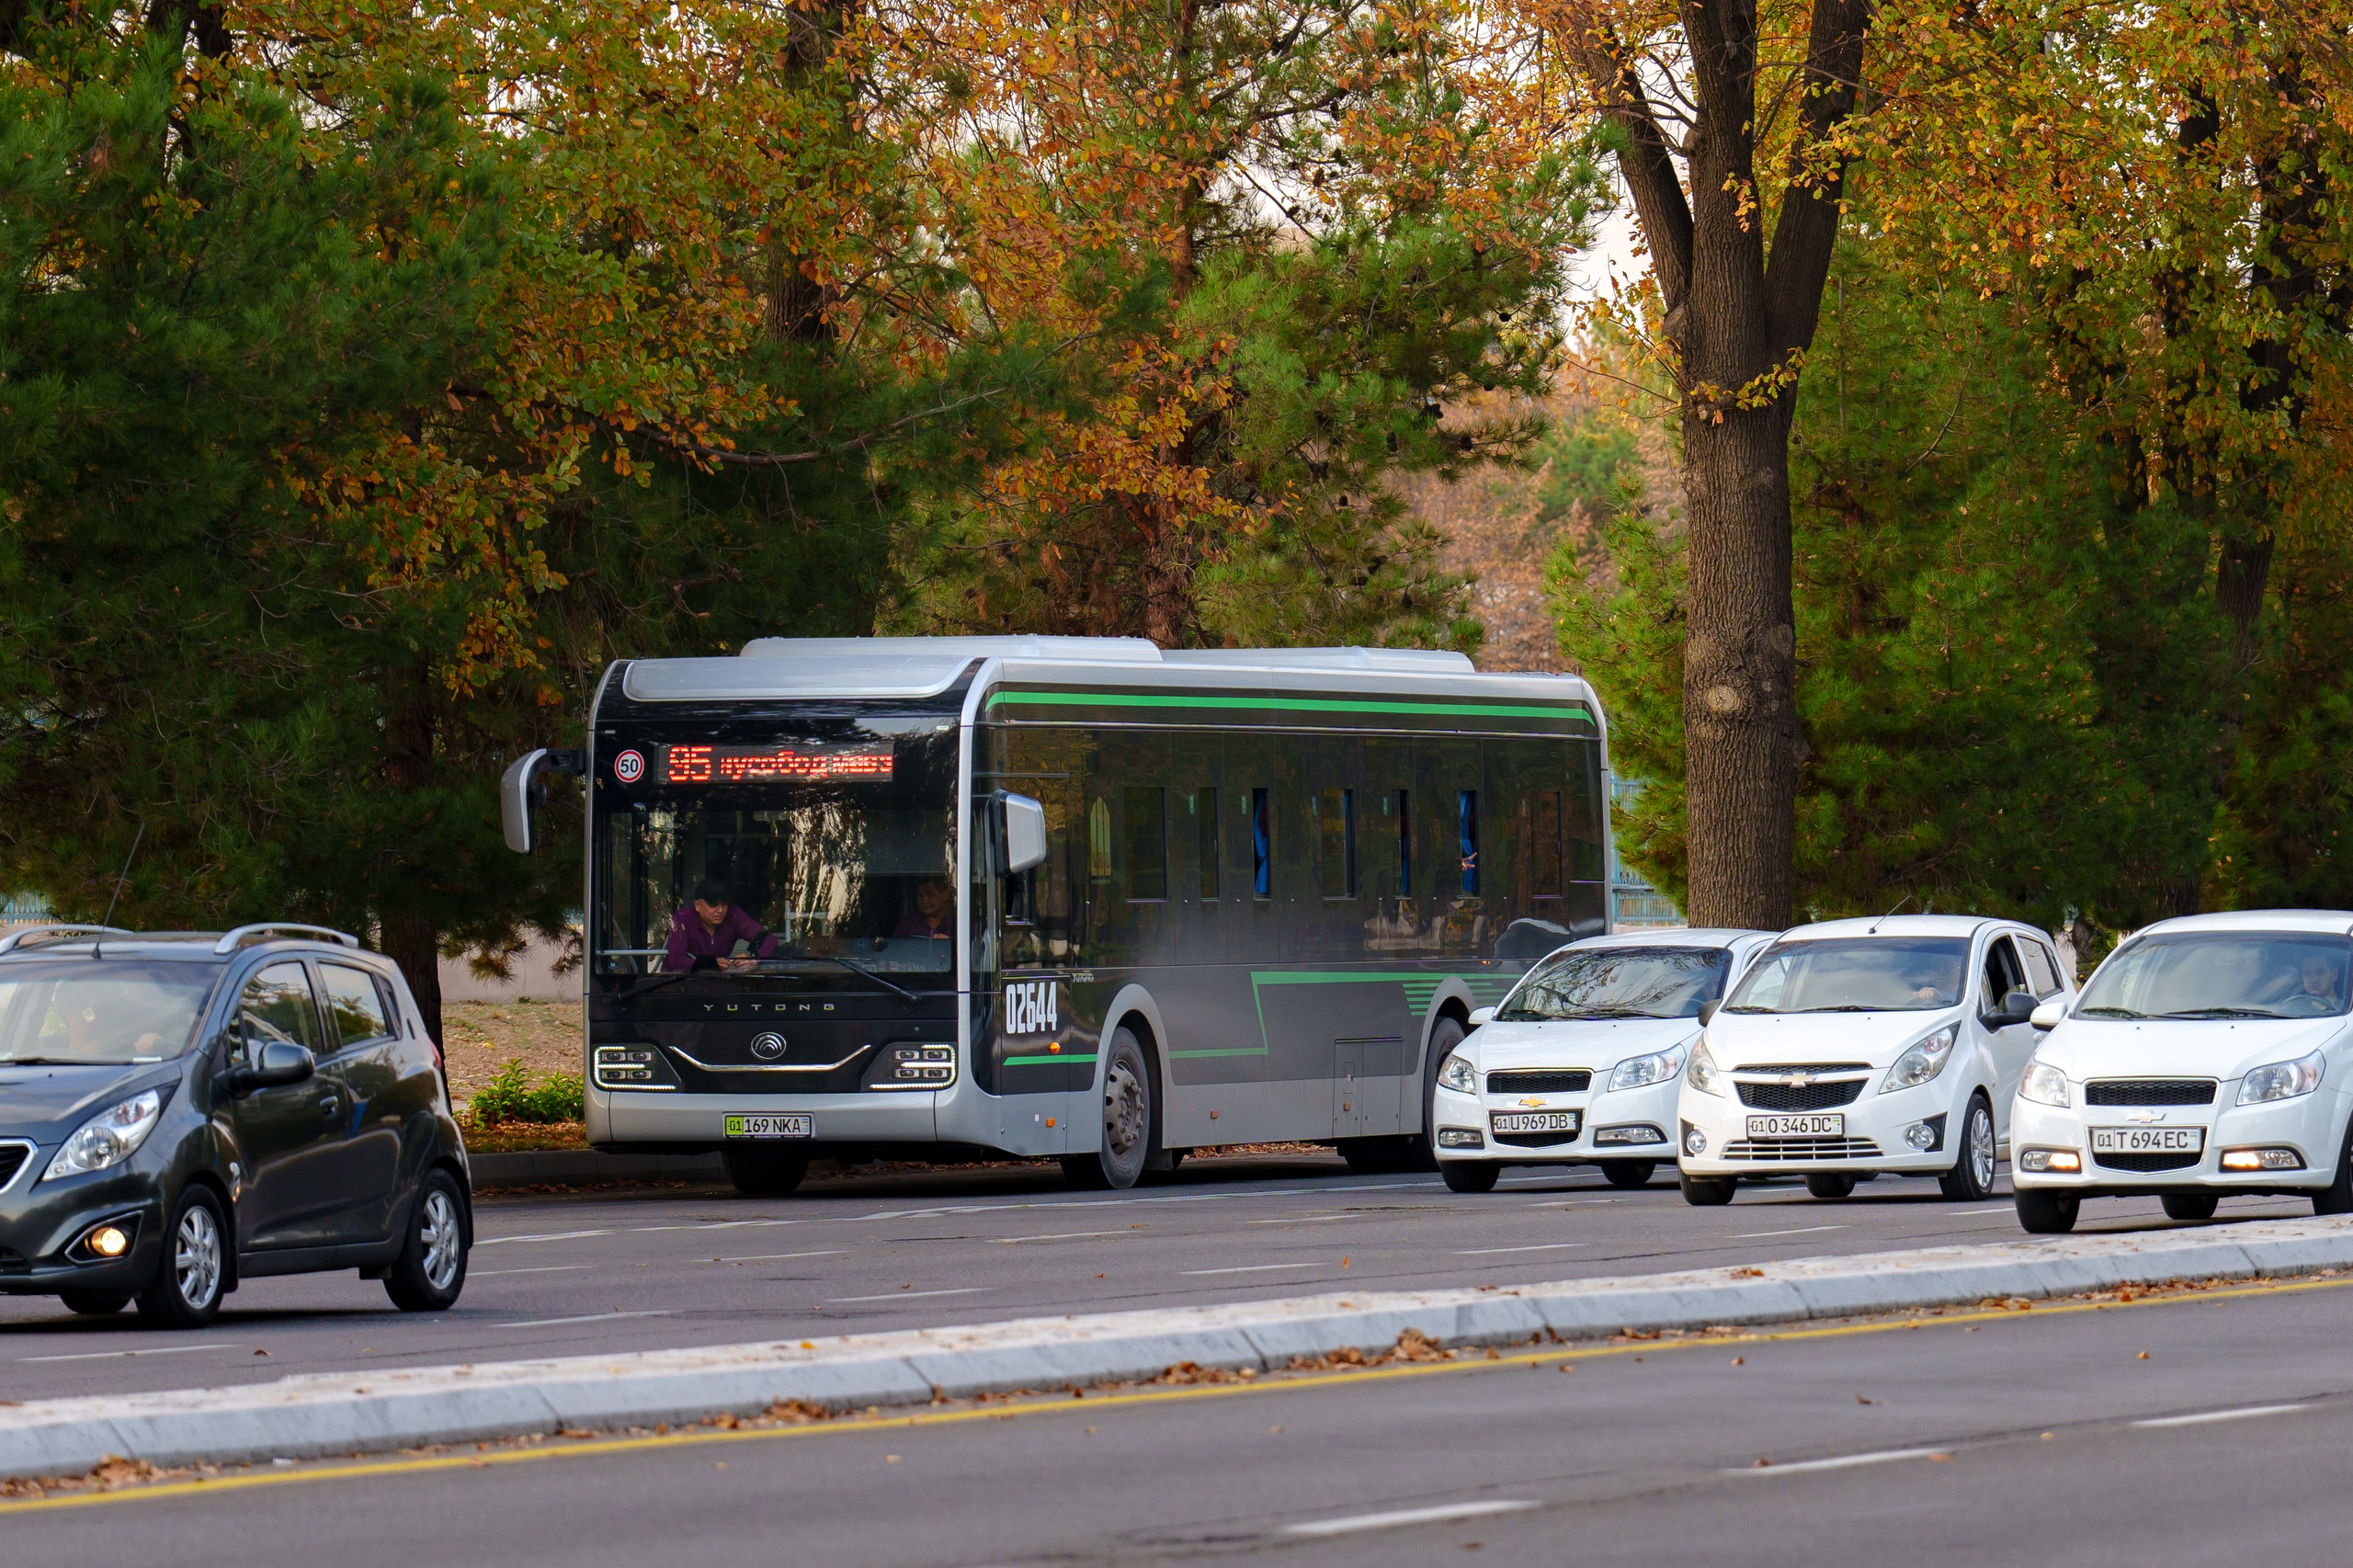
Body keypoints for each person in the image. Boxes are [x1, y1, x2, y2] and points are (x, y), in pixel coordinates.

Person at [662, 881, 778, 972]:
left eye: (724, 904)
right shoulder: (682, 917)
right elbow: (676, 961)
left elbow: (769, 939)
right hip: (679, 983)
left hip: (716, 983)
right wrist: (710, 964)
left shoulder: (734, 915)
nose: (720, 910)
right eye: (713, 905)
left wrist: (754, 958)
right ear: (697, 906)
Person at [892, 875, 955, 940]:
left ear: (945, 894)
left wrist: (949, 944)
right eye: (920, 895)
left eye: (930, 894)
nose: (924, 900)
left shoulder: (957, 923)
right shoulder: (908, 923)